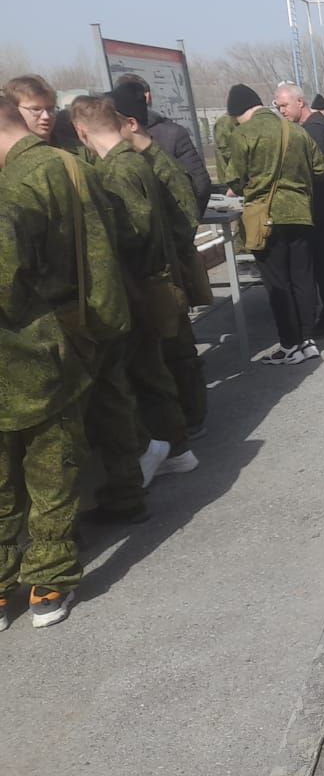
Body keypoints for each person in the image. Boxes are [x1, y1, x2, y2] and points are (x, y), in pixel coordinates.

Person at [0, 95, 132, 628]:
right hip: (53, 344)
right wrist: (100, 329)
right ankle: (48, 584)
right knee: (53, 466)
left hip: (26, 344)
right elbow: (101, 252)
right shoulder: (67, 167)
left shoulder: (15, 186)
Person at [74, 95, 198, 489]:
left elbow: (135, 230)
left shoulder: (117, 170)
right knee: (154, 369)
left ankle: (173, 447)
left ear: (81, 132)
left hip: (141, 283)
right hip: (155, 278)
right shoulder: (137, 160)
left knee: (146, 372)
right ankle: (178, 446)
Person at [112, 81, 209, 439]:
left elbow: (194, 186)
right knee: (172, 347)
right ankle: (186, 418)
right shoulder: (154, 145)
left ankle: (186, 421)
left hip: (162, 266)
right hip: (167, 260)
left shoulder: (157, 146)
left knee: (172, 348)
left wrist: (179, 241)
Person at [224, 84, 324, 364]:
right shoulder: (295, 130)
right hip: (300, 213)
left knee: (277, 282)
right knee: (303, 277)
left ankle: (290, 343)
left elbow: (235, 179)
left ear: (238, 113)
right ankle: (308, 339)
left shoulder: (242, 134)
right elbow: (320, 168)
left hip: (265, 218)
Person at [273, 84, 324, 336]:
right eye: (278, 107)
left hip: (323, 205)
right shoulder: (315, 127)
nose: (281, 111)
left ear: (300, 102)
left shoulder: (313, 131)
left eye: (284, 105)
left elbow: (310, 169)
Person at [116, 73, 212, 218]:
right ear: (148, 96)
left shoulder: (115, 140)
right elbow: (200, 184)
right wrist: (188, 224)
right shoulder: (174, 133)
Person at [2, 74, 57, 142]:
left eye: (50, 109)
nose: (46, 116)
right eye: (36, 109)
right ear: (14, 111)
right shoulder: (6, 150)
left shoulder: (70, 148)